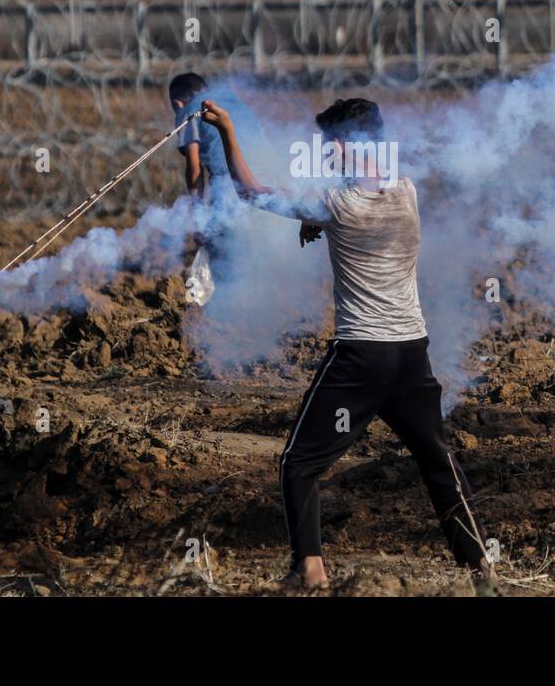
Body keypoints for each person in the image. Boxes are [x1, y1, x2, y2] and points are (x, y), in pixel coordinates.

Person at [199, 96, 495, 590]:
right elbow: (361, 196)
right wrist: (316, 221)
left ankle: (310, 569)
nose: (325, 154)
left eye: (327, 145)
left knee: (299, 464)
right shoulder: (406, 191)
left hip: (360, 358)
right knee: (439, 462)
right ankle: (481, 567)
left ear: (342, 144)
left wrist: (227, 128)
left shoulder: (333, 202)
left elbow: (250, 192)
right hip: (411, 356)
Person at [167, 73, 261, 293]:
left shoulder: (189, 110)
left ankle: (228, 316)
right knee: (256, 254)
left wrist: (197, 215)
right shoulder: (237, 104)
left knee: (225, 255)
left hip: (228, 185)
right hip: (263, 183)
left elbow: (194, 168)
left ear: (176, 103)